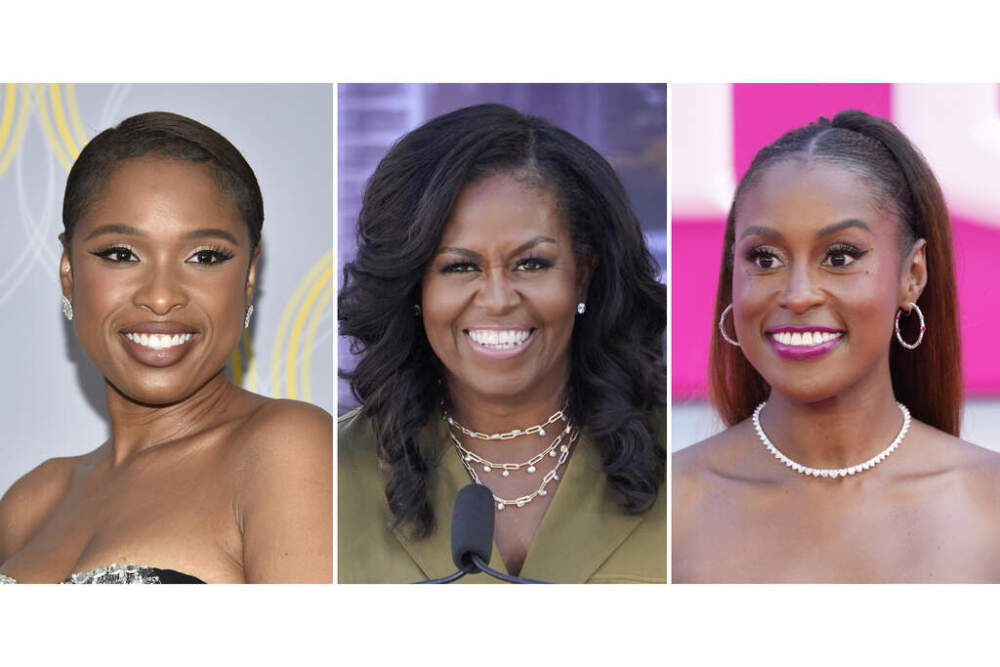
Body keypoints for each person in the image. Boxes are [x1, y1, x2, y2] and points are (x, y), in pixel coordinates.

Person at [338, 103, 666, 583]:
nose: (496, 299)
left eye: (531, 264)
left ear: (584, 275)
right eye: (459, 266)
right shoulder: (326, 474)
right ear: (413, 288)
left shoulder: (682, 464)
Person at [0, 112, 332, 584]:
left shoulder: (287, 447)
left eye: (205, 257)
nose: (160, 296)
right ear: (69, 271)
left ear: (249, 278)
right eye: (121, 254)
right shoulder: (30, 502)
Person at [673, 109, 1000, 583]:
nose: (798, 293)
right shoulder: (670, 506)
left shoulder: (989, 502)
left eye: (840, 257)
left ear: (913, 276)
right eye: (764, 258)